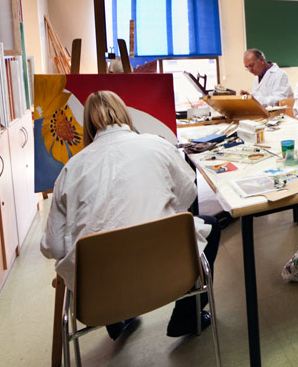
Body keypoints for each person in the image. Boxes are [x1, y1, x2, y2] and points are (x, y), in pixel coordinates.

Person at [40, 91, 220, 339]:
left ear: (87, 125)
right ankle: (186, 317)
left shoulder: (70, 170)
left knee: (99, 252)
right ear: (125, 114)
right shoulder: (156, 144)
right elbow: (186, 196)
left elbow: (53, 247)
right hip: (169, 275)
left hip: (99, 297)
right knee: (210, 226)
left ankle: (117, 319)